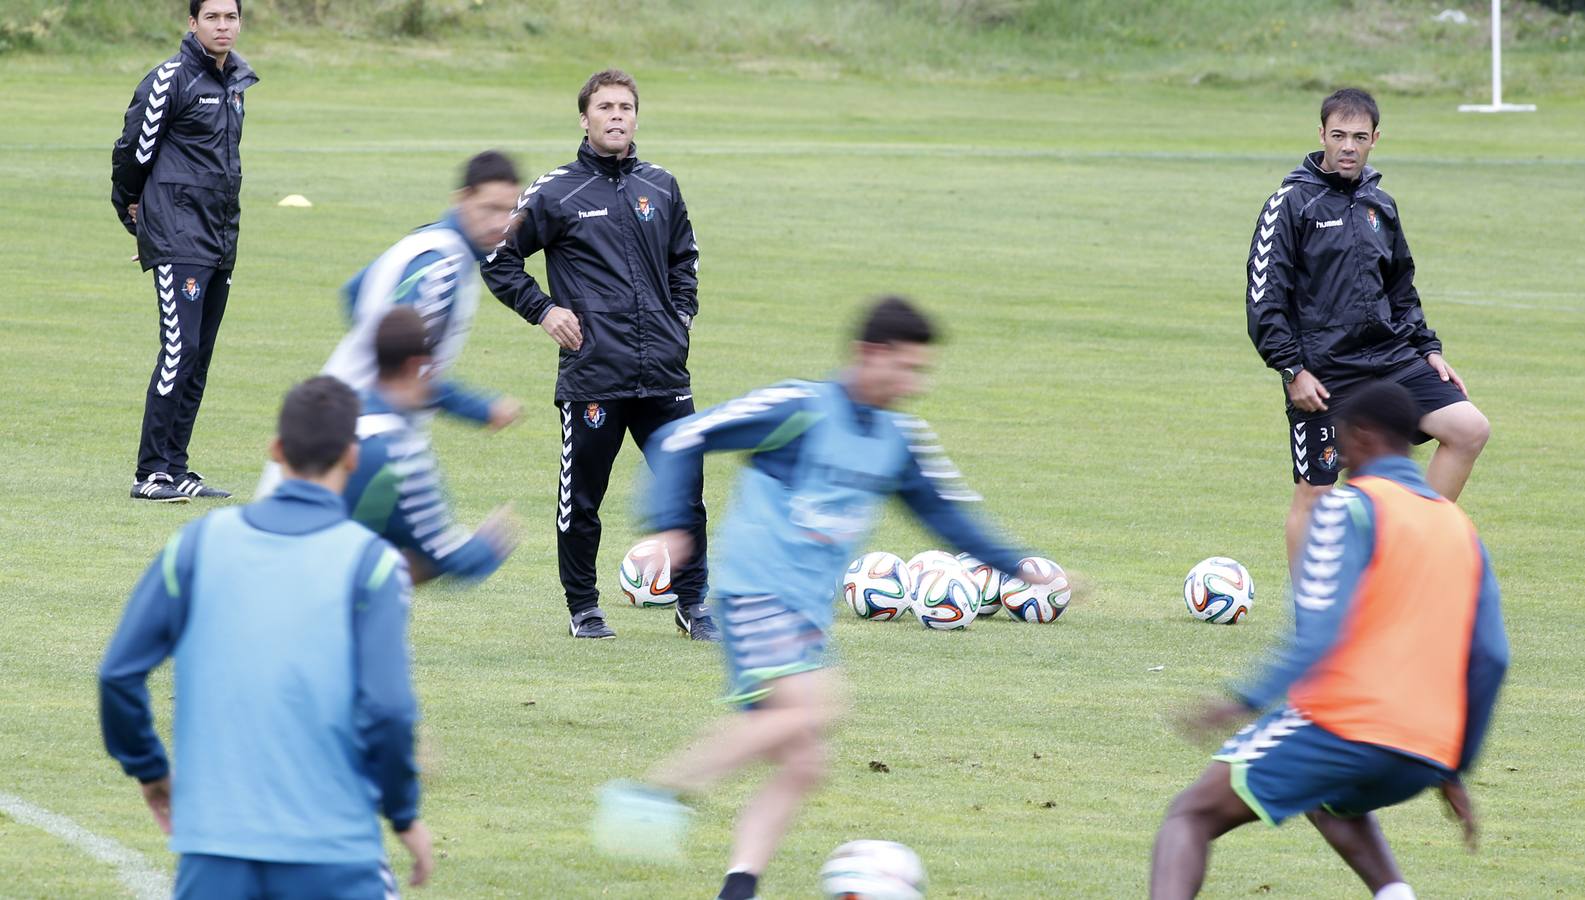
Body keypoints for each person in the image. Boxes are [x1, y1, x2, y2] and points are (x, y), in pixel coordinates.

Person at [594, 296, 1062, 900]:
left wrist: (1017, 565)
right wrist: (671, 524)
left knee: (804, 763)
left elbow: (944, 516)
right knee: (816, 708)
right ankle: (656, 792)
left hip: (806, 610)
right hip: (757, 590)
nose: (916, 383)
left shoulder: (897, 437)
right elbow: (683, 436)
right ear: (871, 354)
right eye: (907, 368)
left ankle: (737, 889)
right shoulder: (801, 407)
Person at [1149, 380, 1509, 900]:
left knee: (1191, 815)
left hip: (1346, 726)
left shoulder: (1346, 509)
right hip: (1423, 749)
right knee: (1327, 795)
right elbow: (1492, 657)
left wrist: (1242, 700)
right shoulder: (1459, 527)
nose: (1334, 451)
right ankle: (1394, 894)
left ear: (1363, 436)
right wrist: (1454, 766)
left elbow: (1318, 635)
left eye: (1339, 437)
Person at [99, 376, 434, 898]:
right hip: (333, 850)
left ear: (276, 451)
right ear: (350, 457)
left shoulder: (196, 546)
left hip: (214, 852)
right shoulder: (373, 565)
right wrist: (403, 812)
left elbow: (118, 673)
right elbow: (389, 709)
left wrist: (149, 768)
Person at [482, 68, 714, 641]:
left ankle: (693, 604)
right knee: (582, 500)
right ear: (584, 118)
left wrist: (679, 318)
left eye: (626, 107)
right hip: (594, 375)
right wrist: (543, 310)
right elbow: (496, 255)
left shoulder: (661, 185)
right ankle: (583, 607)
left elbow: (685, 259)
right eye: (605, 107)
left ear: (637, 117)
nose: (616, 116)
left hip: (663, 372)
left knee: (687, 496)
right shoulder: (556, 191)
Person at [1245, 87, 1491, 562]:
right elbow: (1263, 299)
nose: (1348, 147)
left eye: (1359, 137)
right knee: (1315, 495)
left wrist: (1428, 348)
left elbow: (1401, 289)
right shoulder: (1290, 204)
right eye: (1338, 135)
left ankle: (1400, 553)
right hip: (1324, 372)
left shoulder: (1382, 205)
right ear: (1321, 134)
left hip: (1393, 360)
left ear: (1376, 138)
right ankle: (1317, 622)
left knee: (1469, 429)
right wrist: (1292, 369)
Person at [256, 150, 526, 498]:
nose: (499, 222)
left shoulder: (423, 243)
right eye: (490, 208)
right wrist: (480, 408)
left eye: (509, 210)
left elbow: (353, 291)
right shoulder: (443, 266)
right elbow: (406, 365)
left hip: (329, 421)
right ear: (462, 200)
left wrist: (370, 340)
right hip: (362, 442)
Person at [112, 0, 259, 502]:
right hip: (177, 236)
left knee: (200, 356)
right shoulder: (169, 80)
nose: (224, 26)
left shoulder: (236, 85)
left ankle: (177, 467)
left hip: (220, 240)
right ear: (192, 23)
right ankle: (149, 473)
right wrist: (139, 224)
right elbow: (132, 155)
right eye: (213, 17)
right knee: (180, 351)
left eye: (231, 17)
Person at [345, 307, 520, 584]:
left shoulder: (334, 413)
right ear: (416, 366)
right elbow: (447, 554)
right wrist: (490, 543)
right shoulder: (402, 456)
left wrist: (482, 409)